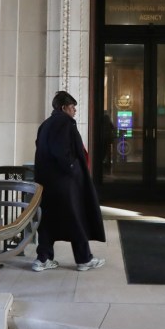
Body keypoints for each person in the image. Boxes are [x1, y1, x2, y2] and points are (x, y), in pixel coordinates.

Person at [32, 91, 106, 272]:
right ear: (64, 107)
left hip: (47, 182)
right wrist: (73, 170)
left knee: (48, 221)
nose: (74, 111)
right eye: (72, 107)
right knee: (76, 218)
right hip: (65, 183)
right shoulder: (65, 123)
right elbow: (62, 152)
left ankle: (42, 259)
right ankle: (84, 259)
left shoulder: (46, 124)